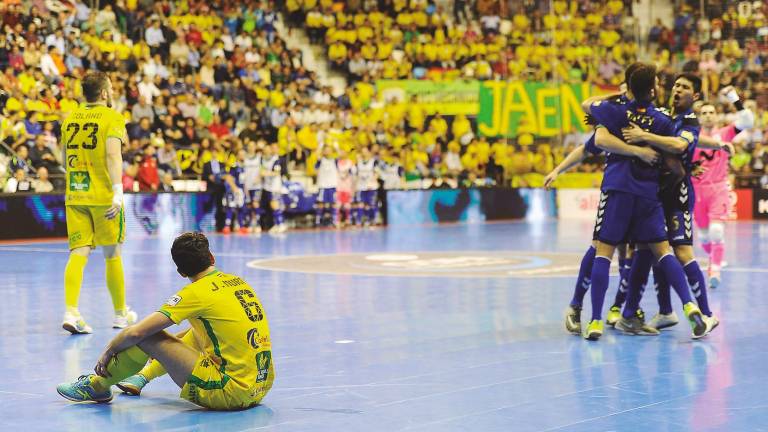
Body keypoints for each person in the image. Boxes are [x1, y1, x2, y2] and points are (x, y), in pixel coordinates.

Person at [56, 232, 275, 410]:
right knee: (197, 331)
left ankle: (99, 385)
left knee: (150, 336)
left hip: (230, 392)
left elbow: (136, 333)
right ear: (212, 258)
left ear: (180, 272)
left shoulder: (195, 293)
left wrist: (108, 351)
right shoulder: (237, 282)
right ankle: (142, 377)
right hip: (261, 387)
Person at [580, 63, 706, 340]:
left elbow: (587, 105)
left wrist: (618, 97)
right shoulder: (662, 120)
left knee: (605, 251)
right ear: (653, 89)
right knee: (663, 250)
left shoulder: (615, 111)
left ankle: (596, 321)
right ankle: (688, 305)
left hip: (618, 189)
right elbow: (675, 151)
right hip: (649, 195)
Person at [618, 73, 718, 336]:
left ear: (694, 96)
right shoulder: (663, 114)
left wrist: (645, 136)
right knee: (649, 249)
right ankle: (663, 311)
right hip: (655, 191)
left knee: (681, 251)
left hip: (677, 194)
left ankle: (706, 315)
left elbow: (677, 144)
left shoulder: (689, 120)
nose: (677, 89)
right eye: (676, 85)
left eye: (685, 87)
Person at [60, 71, 137, 334]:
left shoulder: (69, 119)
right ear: (104, 93)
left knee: (78, 252)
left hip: (75, 194)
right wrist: (118, 191)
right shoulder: (113, 117)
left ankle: (71, 311)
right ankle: (120, 314)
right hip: (104, 197)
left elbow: (63, 159)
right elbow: (114, 156)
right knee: (112, 254)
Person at [692, 87, 754, 288]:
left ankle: (715, 269)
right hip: (696, 191)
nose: (708, 116)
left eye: (711, 113)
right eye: (704, 113)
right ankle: (714, 259)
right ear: (699, 118)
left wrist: (734, 98)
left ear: (717, 116)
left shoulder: (725, 133)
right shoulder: (692, 136)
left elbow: (747, 121)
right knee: (703, 235)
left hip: (718, 189)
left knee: (717, 231)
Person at [261, 143, 286, 233]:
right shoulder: (266, 159)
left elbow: (276, 172)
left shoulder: (277, 159)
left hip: (275, 185)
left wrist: (265, 173)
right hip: (268, 185)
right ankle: (277, 224)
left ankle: (281, 223)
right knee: (272, 205)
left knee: (274, 204)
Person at [353, 146, 379, 226]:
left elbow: (377, 173)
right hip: (361, 186)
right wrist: (355, 186)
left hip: (370, 186)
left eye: (365, 151)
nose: (364, 153)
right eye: (362, 151)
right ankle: (359, 220)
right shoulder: (358, 162)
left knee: (370, 204)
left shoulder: (374, 162)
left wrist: (372, 181)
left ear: (369, 152)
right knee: (360, 203)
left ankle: (371, 219)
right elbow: (356, 174)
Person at [314, 144, 339, 227]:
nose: (327, 151)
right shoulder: (320, 160)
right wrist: (320, 146)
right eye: (326, 150)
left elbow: (340, 155)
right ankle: (318, 221)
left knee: (334, 203)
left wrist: (336, 147)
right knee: (320, 203)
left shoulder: (335, 160)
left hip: (332, 185)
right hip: (323, 185)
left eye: (329, 150)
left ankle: (335, 220)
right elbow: (315, 168)